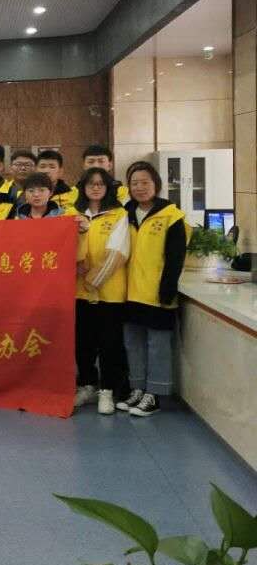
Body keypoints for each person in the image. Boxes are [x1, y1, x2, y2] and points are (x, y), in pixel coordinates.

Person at [117, 162, 189, 418]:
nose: (140, 187)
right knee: (133, 343)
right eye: (134, 183)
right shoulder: (124, 214)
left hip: (157, 292)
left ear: (156, 184)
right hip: (128, 292)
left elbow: (176, 257)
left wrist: (167, 288)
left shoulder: (171, 215)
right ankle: (137, 388)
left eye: (145, 182)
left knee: (157, 345)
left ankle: (154, 395)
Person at [72, 167, 130, 415]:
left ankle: (107, 390)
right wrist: (77, 266)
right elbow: (63, 247)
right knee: (83, 342)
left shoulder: (119, 214)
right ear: (83, 188)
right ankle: (87, 385)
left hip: (110, 291)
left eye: (100, 184)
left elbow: (118, 252)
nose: (95, 188)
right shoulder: (72, 214)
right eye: (90, 184)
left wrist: (92, 280)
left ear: (108, 188)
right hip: (78, 293)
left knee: (110, 343)